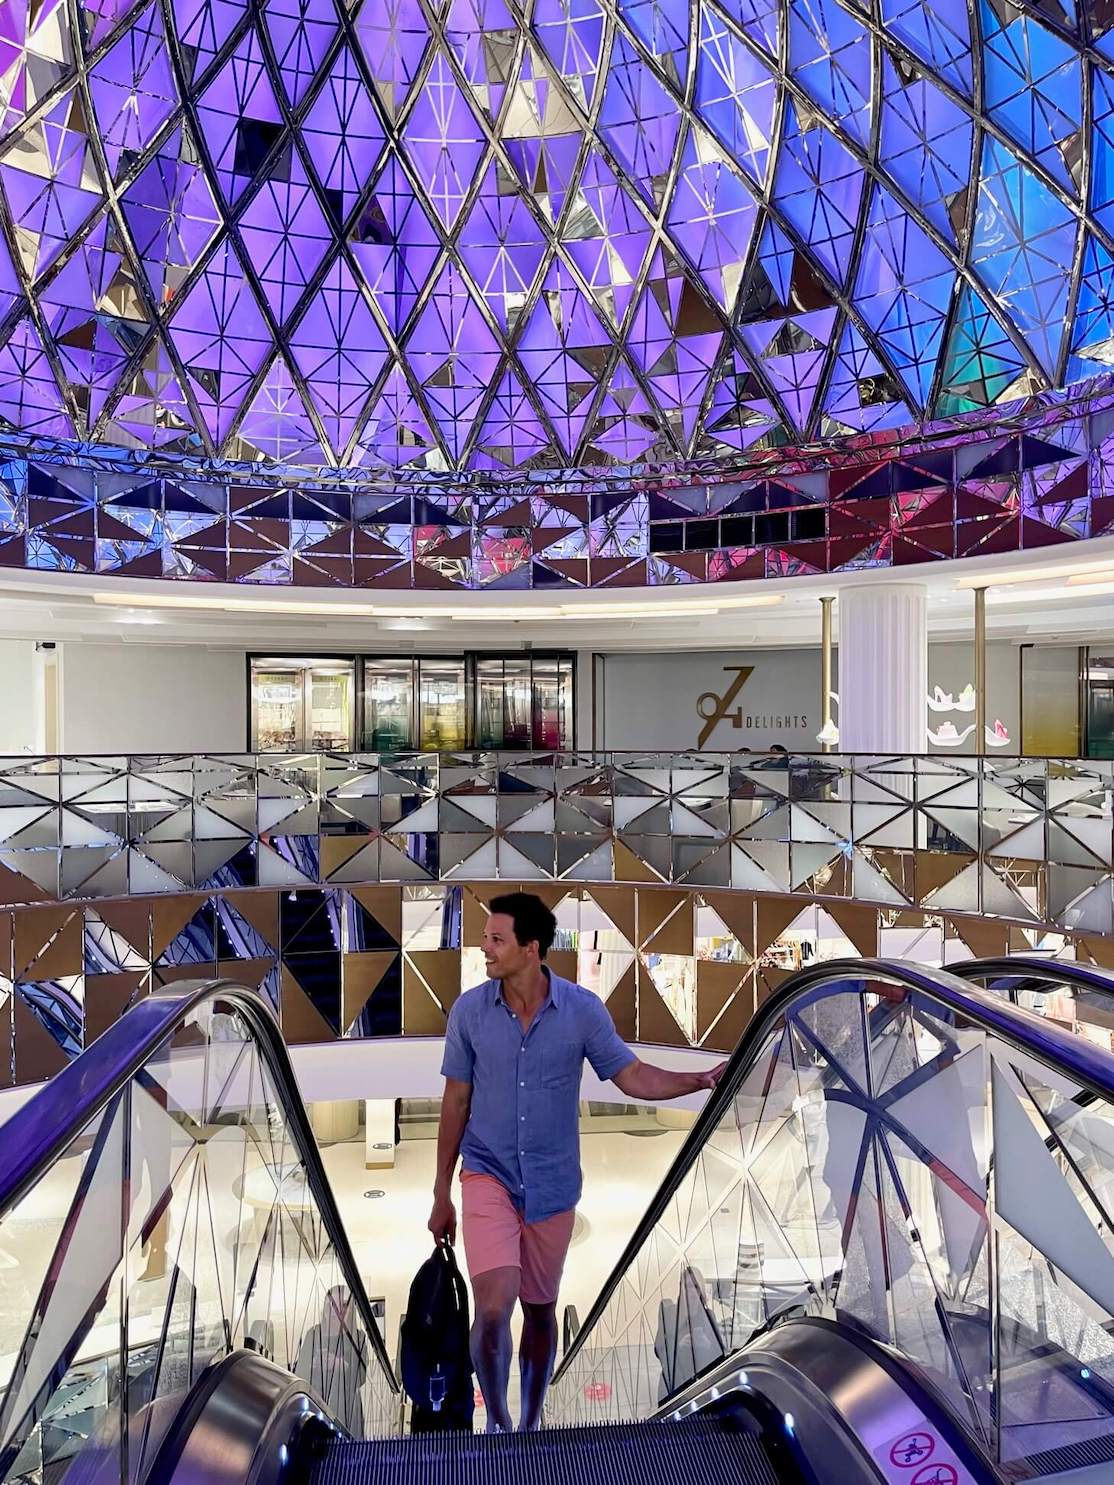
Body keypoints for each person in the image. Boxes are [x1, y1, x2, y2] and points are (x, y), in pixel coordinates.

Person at [427, 892, 727, 1433]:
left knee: (541, 1311)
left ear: (530, 948)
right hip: (487, 1173)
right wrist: (440, 1193)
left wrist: (697, 1080)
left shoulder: (581, 1011)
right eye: (487, 937)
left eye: (497, 939)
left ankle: (531, 1417)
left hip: (552, 1186)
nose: (485, 947)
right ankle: (496, 1423)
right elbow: (456, 1102)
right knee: (492, 1312)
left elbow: (632, 1076)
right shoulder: (470, 1011)